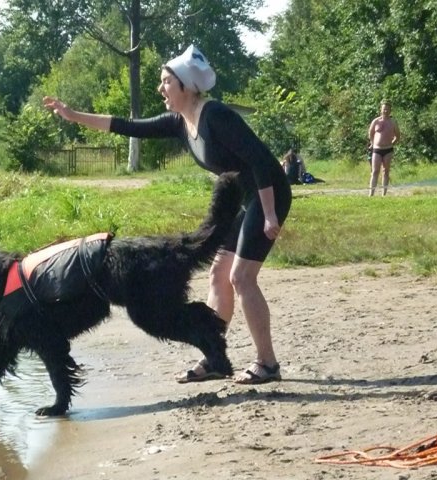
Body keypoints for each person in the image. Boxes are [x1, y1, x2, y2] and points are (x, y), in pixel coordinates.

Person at [43, 45, 292, 385]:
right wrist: (74, 116)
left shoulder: (216, 116)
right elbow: (126, 126)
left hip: (268, 195)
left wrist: (268, 215)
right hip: (244, 199)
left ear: (186, 86)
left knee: (241, 277)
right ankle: (215, 358)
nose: (161, 88)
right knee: (218, 273)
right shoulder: (179, 122)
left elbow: (261, 161)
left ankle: (268, 364)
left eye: (165, 82)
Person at [368, 100, 401, 196]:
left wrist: (393, 143)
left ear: (390, 110)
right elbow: (370, 133)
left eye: (387, 109)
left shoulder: (393, 122)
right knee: (375, 171)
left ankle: (384, 194)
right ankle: (371, 194)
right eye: (384, 109)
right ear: (381, 110)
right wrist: (372, 143)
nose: (386, 111)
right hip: (377, 149)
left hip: (388, 149)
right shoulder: (376, 121)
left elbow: (398, 135)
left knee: (386, 171)